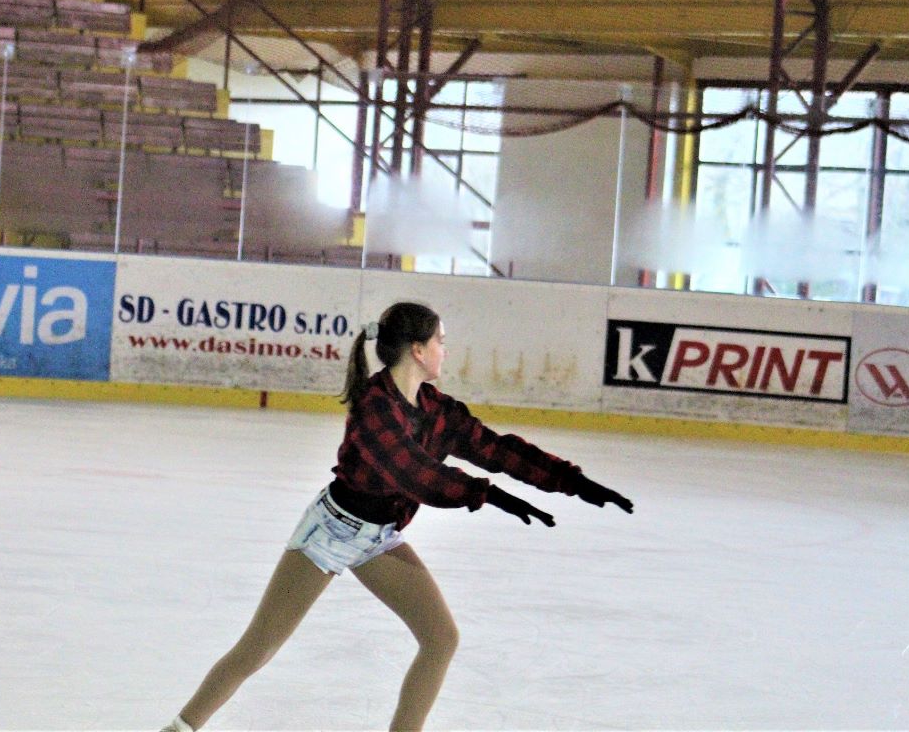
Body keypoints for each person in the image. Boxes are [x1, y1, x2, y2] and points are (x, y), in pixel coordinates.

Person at [161, 301, 633, 731]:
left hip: (379, 537)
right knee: (259, 647)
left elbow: (497, 449)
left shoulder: (436, 410)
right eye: (440, 341)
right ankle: (179, 729)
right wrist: (486, 495)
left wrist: (573, 482)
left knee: (441, 638)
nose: (446, 350)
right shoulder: (374, 407)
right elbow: (416, 475)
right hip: (330, 532)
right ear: (418, 351)